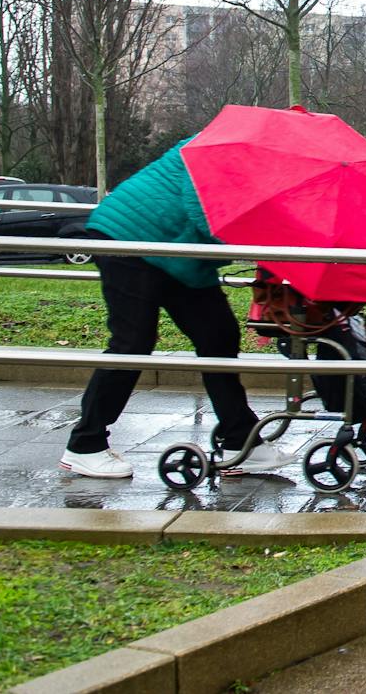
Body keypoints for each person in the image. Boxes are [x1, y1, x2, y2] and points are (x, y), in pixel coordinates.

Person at [59, 138, 288, 479]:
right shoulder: (219, 149)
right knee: (132, 342)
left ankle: (239, 440)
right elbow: (205, 214)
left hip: (176, 254)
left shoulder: (251, 163)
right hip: (129, 238)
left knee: (219, 336)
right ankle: (85, 445)